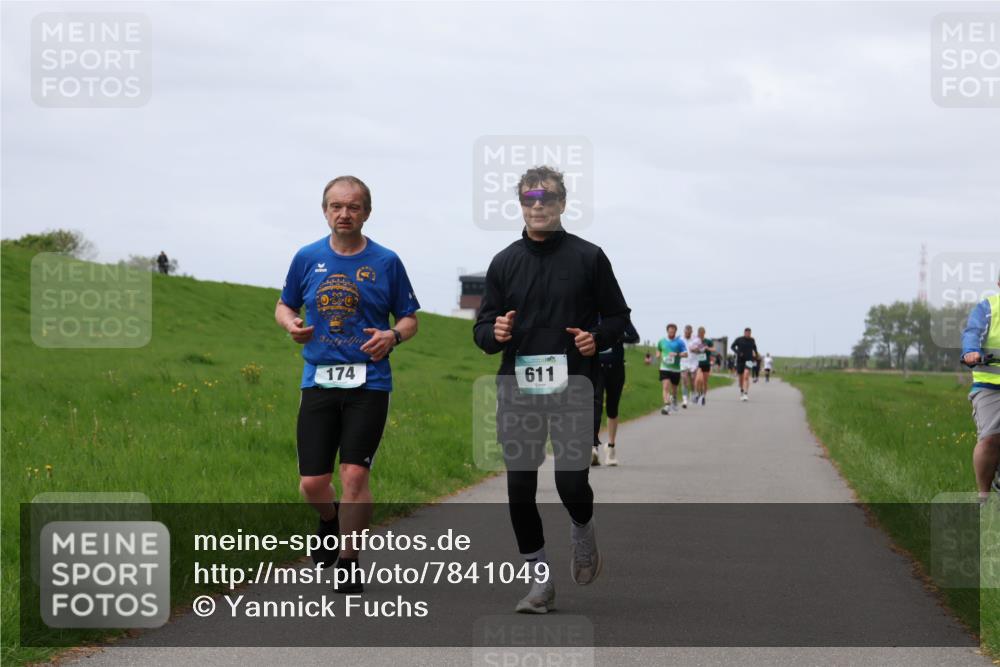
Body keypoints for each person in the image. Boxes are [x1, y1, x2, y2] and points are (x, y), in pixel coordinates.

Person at [473, 166, 630, 614]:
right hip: (518, 388)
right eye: (529, 199)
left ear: (563, 203)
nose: (537, 205)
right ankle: (539, 581)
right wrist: (496, 332)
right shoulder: (504, 262)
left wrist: (595, 338)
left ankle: (582, 527)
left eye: (547, 198)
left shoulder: (589, 257)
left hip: (575, 387)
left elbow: (619, 318)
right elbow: (482, 332)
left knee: (570, 481)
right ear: (520, 205)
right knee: (519, 488)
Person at [275, 175, 419, 594]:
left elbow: (410, 318)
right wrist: (292, 325)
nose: (344, 214)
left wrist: (393, 336)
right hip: (318, 380)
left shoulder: (387, 261)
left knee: (355, 474)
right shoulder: (306, 258)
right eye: (336, 206)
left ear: (366, 213)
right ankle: (328, 519)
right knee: (312, 484)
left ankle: (349, 560)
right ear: (325, 211)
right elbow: (285, 304)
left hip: (369, 383)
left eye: (353, 207)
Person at [961, 274, 1000, 501]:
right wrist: (971, 351)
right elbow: (972, 332)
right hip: (990, 387)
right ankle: (984, 498)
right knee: (990, 439)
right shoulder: (988, 308)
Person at [592, 319, 640, 466]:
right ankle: (593, 447)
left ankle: (611, 449)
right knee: (596, 404)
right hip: (596, 367)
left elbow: (635, 337)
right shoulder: (591, 315)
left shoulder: (620, 318)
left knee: (612, 408)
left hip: (616, 368)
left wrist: (618, 336)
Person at [656, 324, 687, 414]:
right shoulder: (662, 341)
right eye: (670, 331)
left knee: (674, 389)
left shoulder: (680, 342)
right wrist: (658, 354)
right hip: (664, 367)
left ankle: (674, 399)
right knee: (665, 386)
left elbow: (685, 354)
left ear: (675, 331)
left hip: (676, 369)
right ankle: (666, 406)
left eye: (673, 331)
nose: (671, 333)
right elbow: (658, 349)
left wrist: (677, 354)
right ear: (667, 331)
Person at [731, 327, 759, 402]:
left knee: (746, 376)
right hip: (740, 360)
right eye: (747, 333)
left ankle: (746, 394)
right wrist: (738, 353)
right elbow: (732, 347)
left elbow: (755, 348)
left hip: (749, 360)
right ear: (744, 333)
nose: (748, 334)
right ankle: (742, 391)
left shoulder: (752, 340)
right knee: (741, 378)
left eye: (749, 333)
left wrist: (756, 356)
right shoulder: (739, 339)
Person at [694, 326, 716, 405]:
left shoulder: (708, 341)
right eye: (700, 333)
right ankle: (697, 394)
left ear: (704, 333)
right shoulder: (696, 341)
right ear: (698, 333)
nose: (701, 335)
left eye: (702, 333)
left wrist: (707, 348)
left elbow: (714, 349)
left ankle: (703, 397)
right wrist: (696, 349)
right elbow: (692, 349)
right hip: (698, 363)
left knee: (705, 382)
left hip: (706, 363)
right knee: (698, 380)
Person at [680, 325, 700, 408]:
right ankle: (684, 400)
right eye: (686, 332)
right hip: (683, 363)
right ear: (684, 331)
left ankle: (693, 393)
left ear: (691, 332)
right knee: (684, 379)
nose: (687, 333)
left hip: (693, 363)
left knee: (692, 380)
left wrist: (696, 350)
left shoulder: (696, 339)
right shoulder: (680, 339)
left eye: (689, 332)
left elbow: (701, 350)